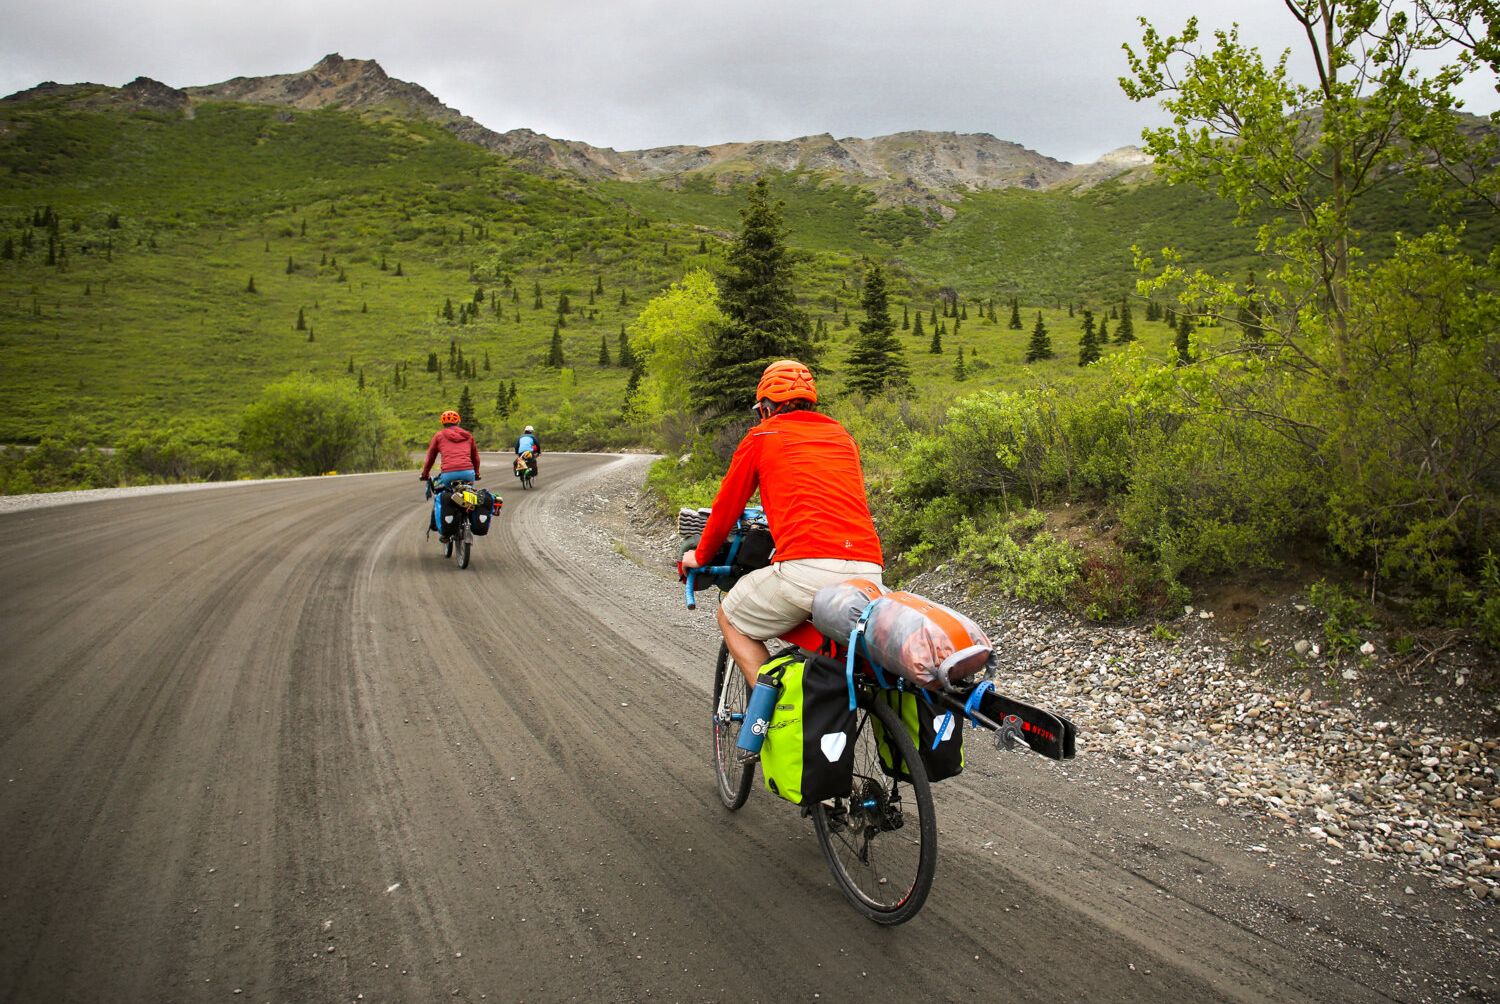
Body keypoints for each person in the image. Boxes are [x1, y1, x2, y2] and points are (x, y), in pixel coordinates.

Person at [681, 360, 884, 690]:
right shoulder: (843, 436)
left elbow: (725, 509)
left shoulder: (763, 435)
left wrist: (701, 557)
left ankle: (775, 715)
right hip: (868, 573)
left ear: (765, 407)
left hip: (808, 571)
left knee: (730, 617)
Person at [419, 409, 480, 538]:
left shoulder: (439, 436)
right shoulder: (468, 435)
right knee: (469, 494)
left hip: (448, 475)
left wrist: (425, 474)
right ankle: (468, 517)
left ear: (442, 423)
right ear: (458, 421)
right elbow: (475, 457)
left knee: (445, 494)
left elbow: (430, 457)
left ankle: (447, 530)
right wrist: (477, 473)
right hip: (468, 473)